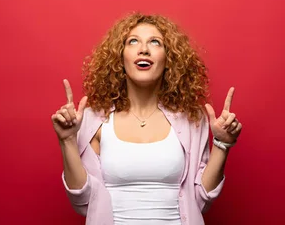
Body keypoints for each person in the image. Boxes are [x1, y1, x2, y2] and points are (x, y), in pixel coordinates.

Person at [51, 13, 242, 225]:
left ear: (169, 59)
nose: (144, 49)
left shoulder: (192, 120)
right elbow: (81, 201)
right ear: (119, 57)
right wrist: (67, 140)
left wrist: (222, 144)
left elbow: (202, 200)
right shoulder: (93, 119)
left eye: (155, 42)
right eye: (133, 41)